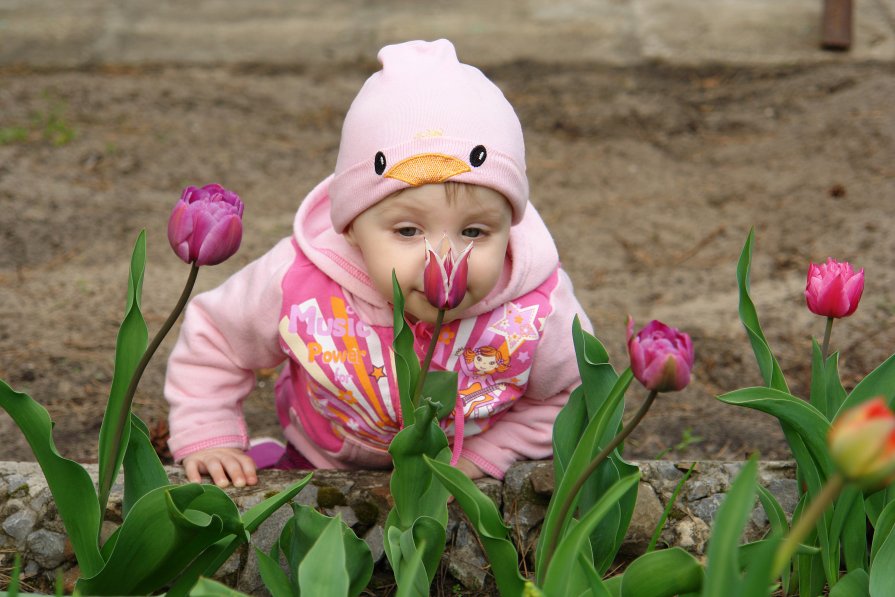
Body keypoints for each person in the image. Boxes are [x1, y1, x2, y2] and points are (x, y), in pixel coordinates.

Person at [164, 39, 592, 488]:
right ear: (350, 227)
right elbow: (218, 338)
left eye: (474, 232)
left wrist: (489, 454)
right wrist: (208, 430)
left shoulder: (536, 310)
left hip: (451, 472)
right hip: (319, 459)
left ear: (510, 225)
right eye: (408, 231)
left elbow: (573, 393)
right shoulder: (301, 279)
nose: (443, 258)